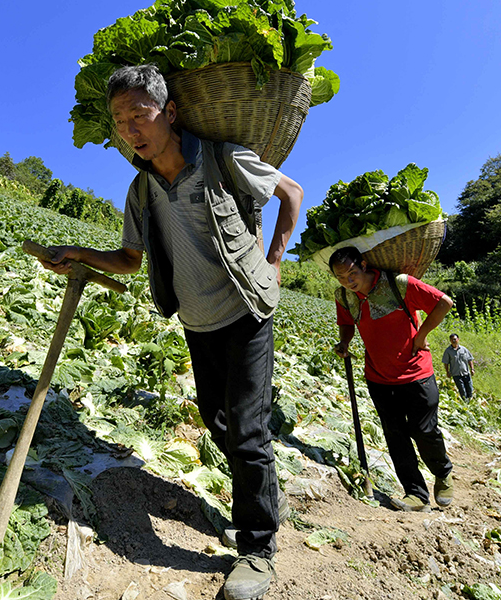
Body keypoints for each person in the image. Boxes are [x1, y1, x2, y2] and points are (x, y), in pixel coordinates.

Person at [35, 64, 303, 600]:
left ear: (170, 113)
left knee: (248, 431)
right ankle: (263, 496)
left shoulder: (222, 158)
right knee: (218, 421)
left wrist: (274, 260)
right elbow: (132, 260)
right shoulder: (141, 190)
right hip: (197, 321)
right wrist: (79, 254)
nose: (131, 129)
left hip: (247, 311)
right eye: (120, 120)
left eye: (141, 114)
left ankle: (257, 549)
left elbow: (291, 193)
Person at [329, 246, 456, 512]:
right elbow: (347, 322)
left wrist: (420, 337)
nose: (348, 281)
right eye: (341, 278)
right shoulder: (344, 296)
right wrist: (344, 342)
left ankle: (443, 473)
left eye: (352, 273)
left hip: (415, 373)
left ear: (363, 265)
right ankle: (416, 494)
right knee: (395, 434)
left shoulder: (398, 284)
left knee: (424, 430)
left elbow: (443, 303)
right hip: (378, 377)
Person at [440, 333, 475, 401]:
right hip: (456, 374)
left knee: (470, 390)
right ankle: (465, 404)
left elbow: (470, 359)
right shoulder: (448, 351)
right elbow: (446, 363)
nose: (453, 341)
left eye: (455, 339)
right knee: (462, 391)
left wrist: (472, 369)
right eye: (452, 339)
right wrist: (447, 372)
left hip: (466, 373)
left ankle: (470, 403)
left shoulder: (464, 349)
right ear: (450, 341)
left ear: (458, 339)